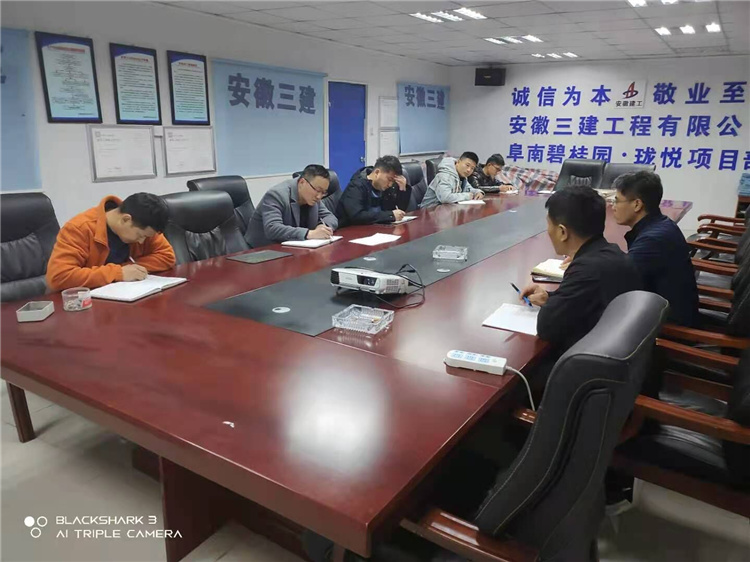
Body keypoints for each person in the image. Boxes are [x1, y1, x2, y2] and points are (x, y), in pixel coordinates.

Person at [521, 186, 641, 357]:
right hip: (620, 353)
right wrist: (550, 298)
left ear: (562, 232)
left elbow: (546, 328)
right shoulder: (612, 252)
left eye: (548, 224)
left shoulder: (586, 269)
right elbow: (584, 299)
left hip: (592, 362)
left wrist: (552, 306)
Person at [611, 171, 699, 326]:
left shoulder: (653, 239)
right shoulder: (660, 224)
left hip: (666, 326)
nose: (613, 207)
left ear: (637, 204)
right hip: (655, 308)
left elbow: (619, 279)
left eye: (616, 201)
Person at [46, 193, 175, 291]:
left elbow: (167, 256)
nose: (142, 242)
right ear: (126, 219)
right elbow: (59, 276)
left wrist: (129, 269)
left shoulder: (145, 225)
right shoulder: (79, 229)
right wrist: (118, 273)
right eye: (140, 236)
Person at [247, 164, 338, 248]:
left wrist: (322, 227)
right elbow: (272, 228)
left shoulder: (313, 197)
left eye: (323, 192)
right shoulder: (277, 195)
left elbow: (330, 217)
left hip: (294, 248)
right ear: (302, 182)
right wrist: (309, 234)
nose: (319, 196)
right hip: (262, 250)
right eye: (317, 190)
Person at [336, 155, 412, 227]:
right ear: (377, 172)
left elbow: (398, 211)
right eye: (389, 179)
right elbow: (357, 216)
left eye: (393, 182)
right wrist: (390, 215)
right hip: (351, 231)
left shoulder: (384, 188)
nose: (390, 184)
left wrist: (402, 189)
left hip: (376, 229)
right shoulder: (356, 186)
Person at [419, 152, 485, 209]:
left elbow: (469, 189)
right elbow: (445, 197)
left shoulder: (461, 176)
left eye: (472, 168)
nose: (469, 170)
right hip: (429, 211)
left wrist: (478, 192)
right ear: (458, 162)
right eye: (467, 165)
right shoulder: (444, 176)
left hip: (446, 210)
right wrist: (467, 196)